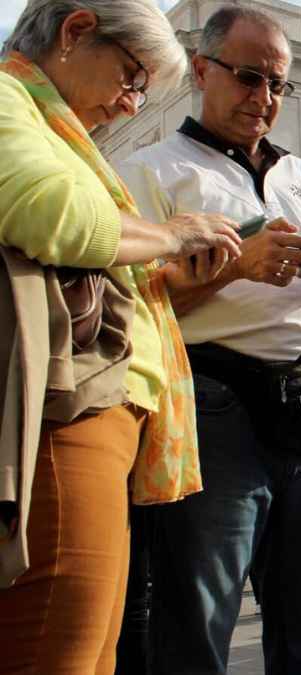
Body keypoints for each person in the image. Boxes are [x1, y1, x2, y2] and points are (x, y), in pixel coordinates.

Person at [117, 6, 301, 672]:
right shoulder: (152, 170)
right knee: (197, 619)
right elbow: (132, 303)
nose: (265, 98)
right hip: (216, 409)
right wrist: (237, 266)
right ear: (202, 71)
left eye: (278, 84)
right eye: (249, 77)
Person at [0, 1, 243, 671]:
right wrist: (170, 233)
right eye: (133, 79)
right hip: (68, 410)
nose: (132, 104)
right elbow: (53, 214)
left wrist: (170, 265)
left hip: (94, 407)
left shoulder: (52, 128)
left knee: (93, 646)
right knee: (60, 646)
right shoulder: (11, 100)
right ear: (76, 31)